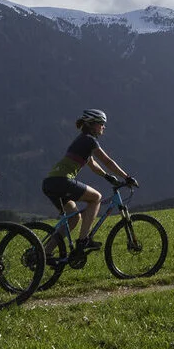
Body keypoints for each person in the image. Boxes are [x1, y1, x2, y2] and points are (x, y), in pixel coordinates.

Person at [40, 109, 136, 260]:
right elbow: (107, 161)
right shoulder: (89, 140)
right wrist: (127, 177)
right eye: (102, 124)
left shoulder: (82, 139)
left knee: (73, 219)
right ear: (93, 125)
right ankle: (83, 240)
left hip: (50, 183)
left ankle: (44, 254)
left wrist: (107, 176)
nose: (104, 127)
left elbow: (92, 164)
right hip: (62, 181)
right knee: (96, 198)